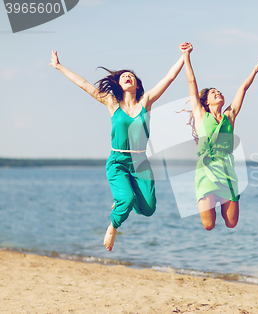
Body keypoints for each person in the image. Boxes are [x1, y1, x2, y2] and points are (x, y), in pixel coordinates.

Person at [49, 48, 185, 251]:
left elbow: (170, 77)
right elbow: (84, 84)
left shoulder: (146, 102)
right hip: (118, 162)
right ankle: (113, 224)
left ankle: (124, 201)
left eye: (131, 76)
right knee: (127, 199)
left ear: (137, 84)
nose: (128, 77)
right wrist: (59, 66)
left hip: (141, 163)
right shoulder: (112, 103)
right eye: (124, 76)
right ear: (119, 84)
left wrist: (184, 57)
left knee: (148, 209)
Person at [180, 42, 258, 230]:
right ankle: (211, 198)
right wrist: (186, 56)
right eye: (213, 93)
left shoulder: (229, 116)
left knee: (232, 223)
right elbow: (192, 82)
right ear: (206, 101)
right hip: (205, 173)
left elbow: (243, 88)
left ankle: (219, 198)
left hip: (227, 172)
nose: (218, 93)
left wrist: (255, 70)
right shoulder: (201, 115)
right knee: (209, 225)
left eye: (219, 92)